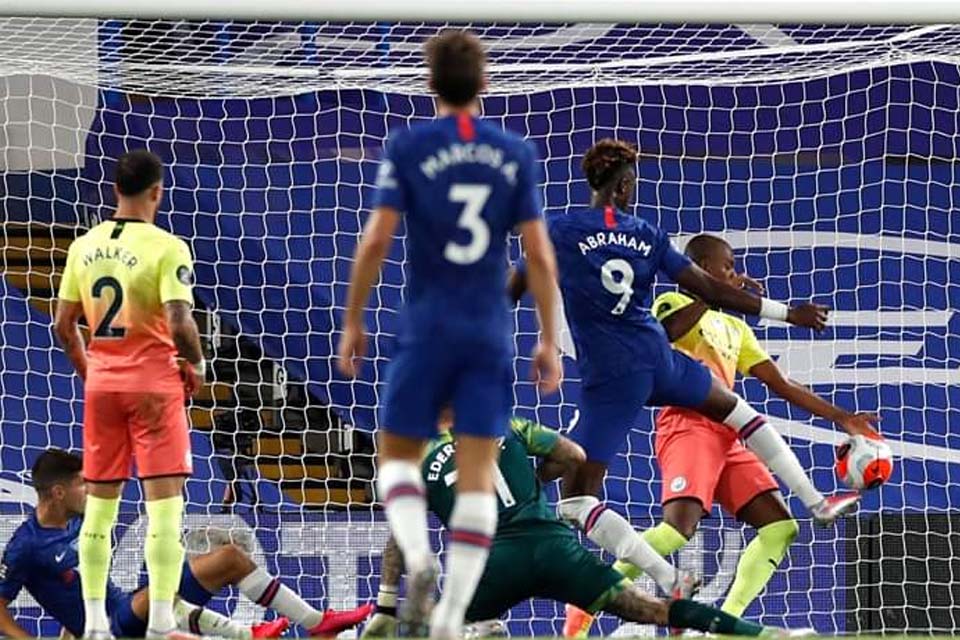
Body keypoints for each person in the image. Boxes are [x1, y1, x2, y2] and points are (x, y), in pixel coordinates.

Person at [507, 139, 859, 601]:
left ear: (593, 182)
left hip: (614, 377)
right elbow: (714, 292)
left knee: (576, 500)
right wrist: (788, 313)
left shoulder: (560, 231)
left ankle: (669, 580)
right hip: (662, 361)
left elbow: (513, 289)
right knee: (739, 412)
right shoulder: (647, 233)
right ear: (627, 185)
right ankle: (815, 501)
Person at [336, 29, 561, 640]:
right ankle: (452, 618)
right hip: (489, 332)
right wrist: (546, 334)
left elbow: (377, 240)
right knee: (478, 475)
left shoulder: (408, 146)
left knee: (396, 459)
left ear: (430, 83)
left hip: (428, 324)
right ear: (484, 83)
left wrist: (354, 319)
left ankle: (418, 553)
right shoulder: (513, 152)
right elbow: (538, 255)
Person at [562, 233, 881, 636]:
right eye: (726, 266)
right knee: (678, 529)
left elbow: (780, 383)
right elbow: (665, 336)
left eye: (733, 266)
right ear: (700, 270)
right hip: (687, 427)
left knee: (781, 528)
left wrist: (843, 417)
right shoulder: (673, 303)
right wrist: (713, 295)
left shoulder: (736, 329)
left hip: (730, 434)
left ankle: (722, 627)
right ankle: (585, 607)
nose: (734, 273)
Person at [361, 414, 791, 639]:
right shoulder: (505, 424)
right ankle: (763, 634)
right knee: (654, 610)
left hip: (489, 564)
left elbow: (401, 540)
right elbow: (574, 455)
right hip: (554, 548)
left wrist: (384, 604)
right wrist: (536, 482)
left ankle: (478, 628)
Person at [54, 149, 206, 639]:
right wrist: (198, 364)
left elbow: (63, 325)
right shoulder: (168, 247)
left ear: (115, 189)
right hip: (154, 385)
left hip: (103, 385)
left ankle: (95, 624)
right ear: (157, 191)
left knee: (99, 507)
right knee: (165, 509)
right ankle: (162, 620)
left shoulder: (83, 246)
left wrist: (90, 370)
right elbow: (181, 322)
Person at [0, 449, 372, 640]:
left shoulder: (79, 518)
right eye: (83, 484)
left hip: (127, 614)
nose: (90, 489)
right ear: (59, 492)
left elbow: (73, 586)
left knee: (229, 558)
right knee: (159, 593)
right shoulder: (25, 546)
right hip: (111, 628)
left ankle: (316, 623)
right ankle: (245, 634)